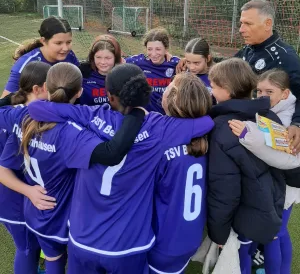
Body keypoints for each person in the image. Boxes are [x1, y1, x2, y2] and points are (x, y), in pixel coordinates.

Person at [26, 65, 214, 274]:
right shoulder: (161, 128)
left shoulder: (90, 116)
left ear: (110, 97)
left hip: (83, 236)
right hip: (128, 243)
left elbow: (35, 109)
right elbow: (206, 122)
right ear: (146, 93)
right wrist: (140, 114)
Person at [0, 62, 147, 274]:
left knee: (32, 251)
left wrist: (13, 98)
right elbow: (111, 153)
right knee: (55, 259)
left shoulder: (24, 117)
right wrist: (137, 114)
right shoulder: (73, 133)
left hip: (34, 206)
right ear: (79, 92)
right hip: (60, 214)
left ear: (46, 87)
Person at [207, 58, 286, 274]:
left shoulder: (222, 128)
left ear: (227, 89)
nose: (211, 91)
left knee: (239, 256)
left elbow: (224, 189)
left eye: (213, 86)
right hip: (268, 203)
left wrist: (219, 233)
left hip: (243, 215)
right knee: (258, 250)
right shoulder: (268, 115)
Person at [229, 69, 299, 274]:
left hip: (287, 185)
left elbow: (284, 158)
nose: (262, 96)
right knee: (278, 232)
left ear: (285, 94)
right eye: (258, 91)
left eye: (269, 91)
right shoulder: (278, 109)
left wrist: (246, 135)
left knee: (275, 234)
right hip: (283, 183)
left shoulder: (287, 120)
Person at [148, 73, 212, 274]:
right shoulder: (209, 136)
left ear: (171, 99)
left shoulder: (160, 140)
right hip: (190, 236)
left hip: (161, 238)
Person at [0, 61, 53, 274]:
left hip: (22, 197)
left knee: (33, 246)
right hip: (12, 197)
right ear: (37, 89)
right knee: (27, 248)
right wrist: (29, 191)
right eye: (52, 87)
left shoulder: (17, 112)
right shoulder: (21, 118)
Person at [235, 0, 300, 152]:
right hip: (246, 125)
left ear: (268, 24)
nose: (241, 29)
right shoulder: (248, 50)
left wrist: (297, 124)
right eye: (241, 23)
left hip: (272, 136)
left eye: (248, 24)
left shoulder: (285, 58)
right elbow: (225, 68)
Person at [1, 16, 79, 98]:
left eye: (68, 42)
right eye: (58, 43)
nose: (65, 48)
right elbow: (4, 104)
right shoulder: (26, 63)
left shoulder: (70, 56)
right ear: (43, 41)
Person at [125, 27, 179, 114]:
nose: (153, 54)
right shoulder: (138, 61)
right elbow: (117, 60)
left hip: (167, 116)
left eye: (158, 49)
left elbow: (192, 65)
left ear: (166, 49)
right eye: (149, 49)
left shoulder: (175, 63)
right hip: (145, 116)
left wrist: (184, 61)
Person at [78, 35, 122, 106]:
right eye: (98, 57)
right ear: (93, 57)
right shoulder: (83, 73)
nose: (103, 62)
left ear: (115, 58)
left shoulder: (123, 76)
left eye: (108, 58)